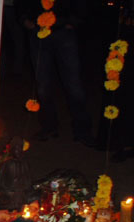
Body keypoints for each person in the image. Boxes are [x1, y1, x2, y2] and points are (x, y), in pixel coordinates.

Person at [16, 0, 96, 147]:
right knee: (43, 86)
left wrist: (73, 21)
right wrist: (24, 19)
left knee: (74, 85)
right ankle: (49, 126)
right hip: (37, 31)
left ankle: (82, 130)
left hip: (64, 31)